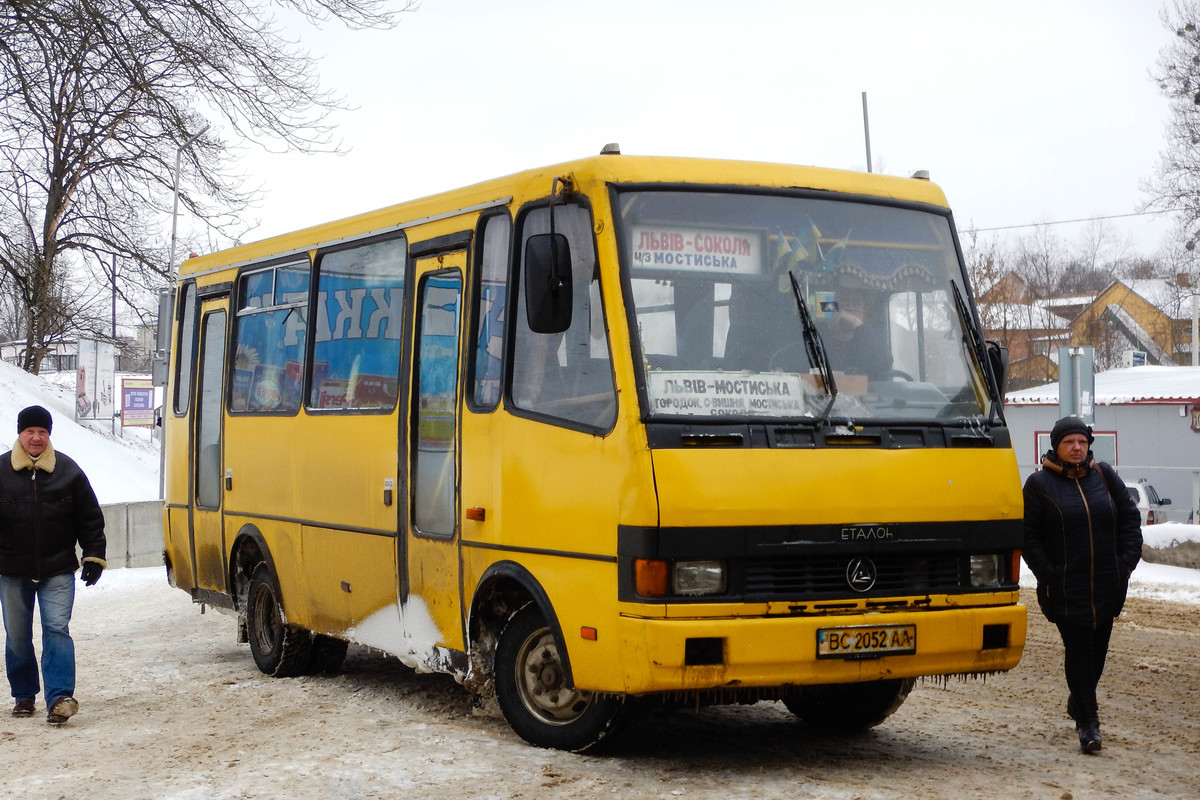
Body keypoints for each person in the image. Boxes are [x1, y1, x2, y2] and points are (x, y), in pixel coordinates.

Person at [1022, 416, 1142, 754]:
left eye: (1082, 442)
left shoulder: (1103, 476)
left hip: (1108, 583)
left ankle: (1079, 699)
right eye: (1069, 442)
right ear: (1056, 447)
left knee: (1098, 655)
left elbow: (1130, 520)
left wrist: (1125, 564)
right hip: (1066, 587)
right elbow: (1029, 537)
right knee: (1079, 652)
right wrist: (1050, 574)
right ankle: (1089, 724)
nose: (1077, 448)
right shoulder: (1039, 485)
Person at [0, 405, 106, 725]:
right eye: (30, 431)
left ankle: (59, 697)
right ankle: (23, 695)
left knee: (57, 630)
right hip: (12, 571)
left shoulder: (68, 471)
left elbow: (89, 518)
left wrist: (93, 556)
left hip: (58, 569)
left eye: (42, 432)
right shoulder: (1, 471)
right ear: (20, 434)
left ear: (49, 435)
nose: (36, 438)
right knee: (17, 635)